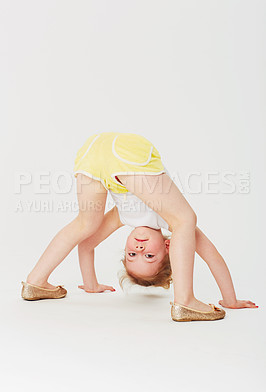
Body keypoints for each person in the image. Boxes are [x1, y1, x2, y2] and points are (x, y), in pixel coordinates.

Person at [21, 132, 258, 321]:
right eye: (150, 255)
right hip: (124, 154)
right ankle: (185, 300)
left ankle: (36, 281)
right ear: (169, 246)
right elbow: (212, 256)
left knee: (86, 224)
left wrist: (91, 284)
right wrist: (230, 299)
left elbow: (87, 244)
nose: (139, 248)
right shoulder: (170, 224)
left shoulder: (122, 217)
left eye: (132, 254)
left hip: (93, 155)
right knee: (185, 220)